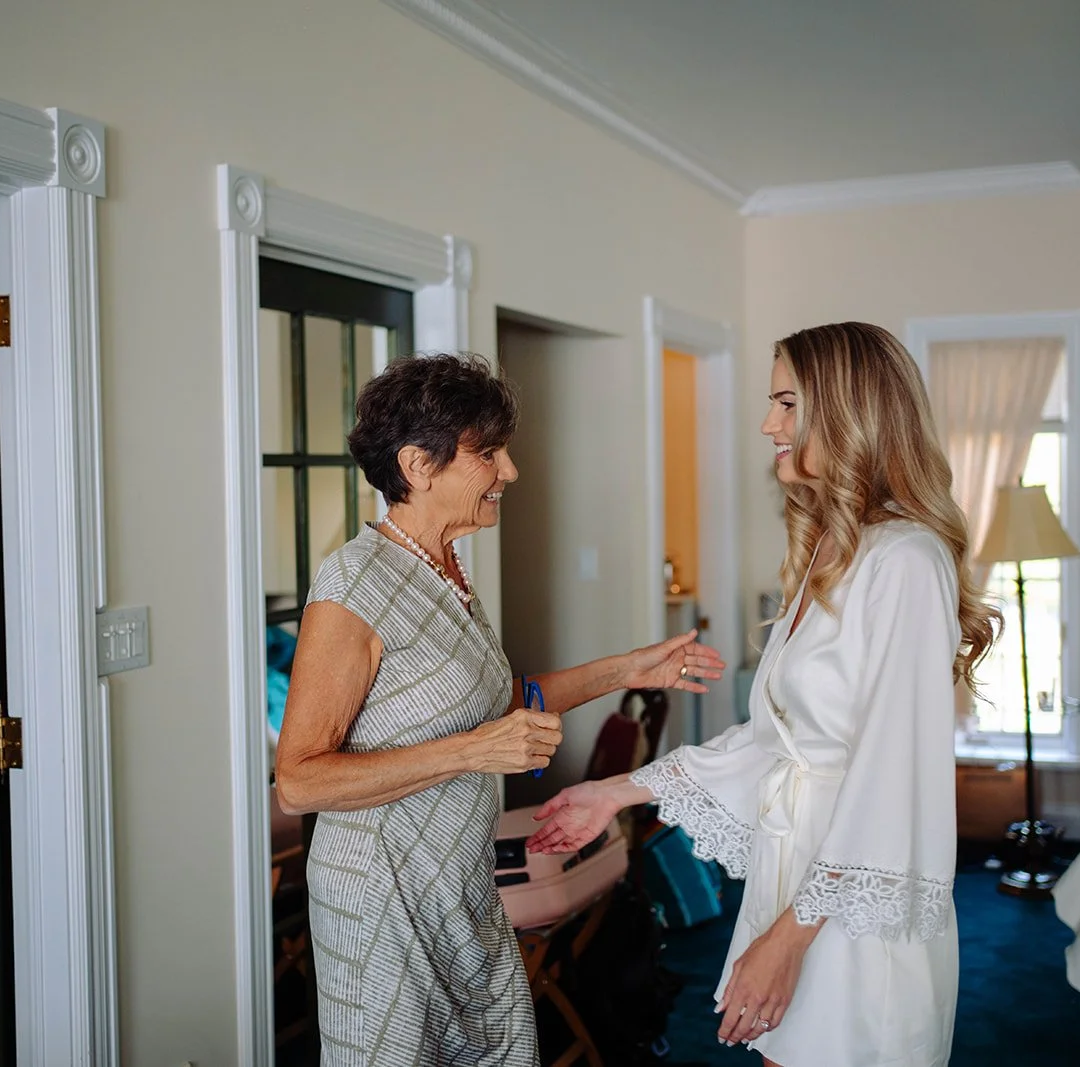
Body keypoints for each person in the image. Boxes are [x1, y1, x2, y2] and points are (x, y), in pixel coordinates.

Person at [529, 323, 1000, 1067]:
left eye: (786, 402)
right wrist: (616, 792)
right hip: (796, 876)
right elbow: (777, 743)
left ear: (846, 412)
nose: (766, 424)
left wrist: (788, 936)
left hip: (854, 901)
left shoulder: (907, 559)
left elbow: (891, 773)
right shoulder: (831, 550)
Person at [274, 352, 726, 1066]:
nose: (509, 471)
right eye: (488, 453)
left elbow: (501, 703)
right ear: (419, 464)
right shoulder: (353, 583)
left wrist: (627, 668)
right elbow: (298, 778)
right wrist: (473, 752)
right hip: (382, 893)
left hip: (458, 878)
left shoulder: (447, 569)